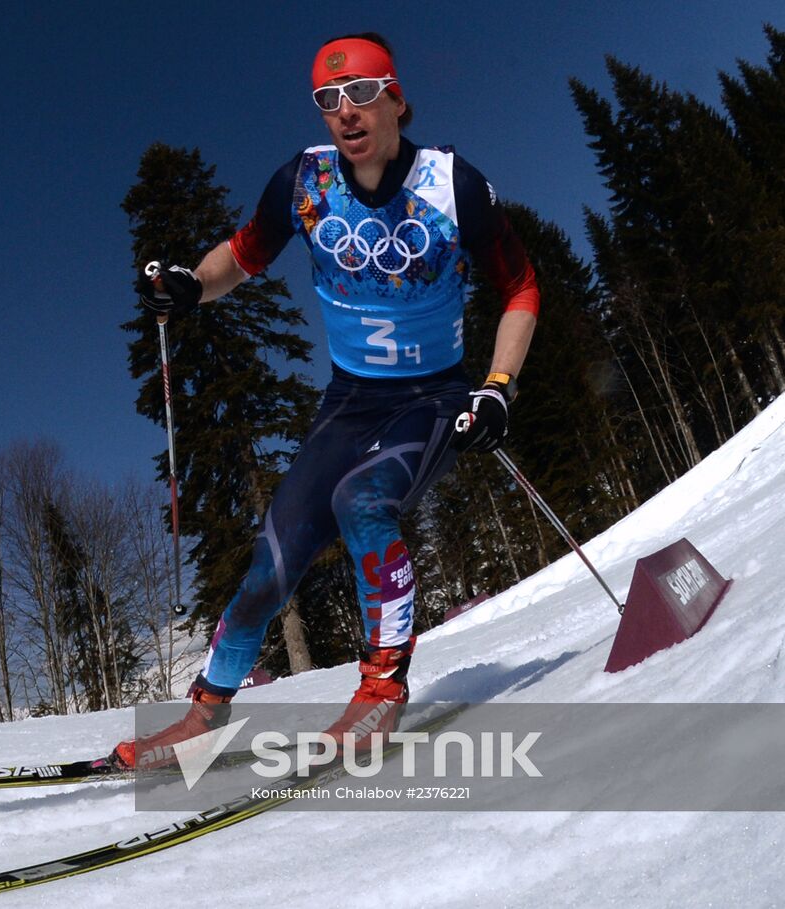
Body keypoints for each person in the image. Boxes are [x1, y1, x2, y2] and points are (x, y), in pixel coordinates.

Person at [111, 33, 539, 771]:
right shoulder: (303, 184)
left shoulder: (452, 185)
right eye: (328, 99)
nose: (346, 111)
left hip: (432, 395)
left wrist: (497, 388)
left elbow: (522, 289)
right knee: (271, 559)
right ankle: (205, 714)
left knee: (363, 504)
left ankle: (382, 687)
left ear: (398, 99)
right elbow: (241, 256)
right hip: (349, 401)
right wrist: (190, 283)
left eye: (364, 92)